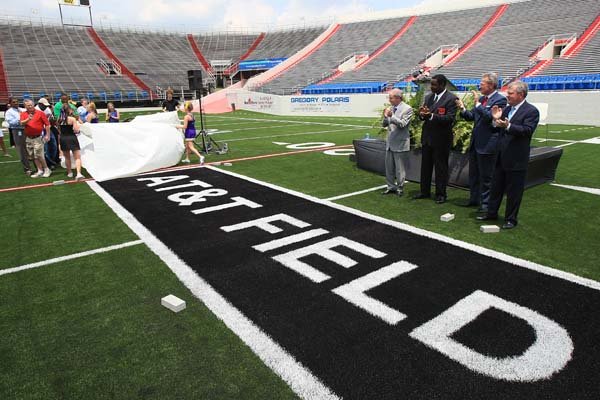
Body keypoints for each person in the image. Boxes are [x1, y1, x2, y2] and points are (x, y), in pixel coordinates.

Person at [477, 81, 540, 229]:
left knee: (514, 192)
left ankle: (511, 219)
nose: (507, 95)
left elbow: (527, 130)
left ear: (521, 94)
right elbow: (497, 128)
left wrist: (508, 126)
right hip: (500, 156)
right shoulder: (505, 109)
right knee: (496, 187)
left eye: (510, 93)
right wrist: (495, 120)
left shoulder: (531, 111)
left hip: (516, 158)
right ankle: (491, 213)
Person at [456, 73, 507, 212]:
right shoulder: (483, 99)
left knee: (486, 177)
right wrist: (462, 109)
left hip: (488, 144)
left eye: (483, 83)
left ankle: (485, 205)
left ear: (491, 85)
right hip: (476, 144)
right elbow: (472, 116)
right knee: (474, 174)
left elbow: (490, 118)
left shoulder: (500, 100)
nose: (480, 85)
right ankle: (474, 199)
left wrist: (478, 104)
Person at [414, 74, 458, 204]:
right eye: (431, 84)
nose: (431, 87)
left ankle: (441, 194)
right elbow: (424, 115)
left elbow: (449, 119)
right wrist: (422, 115)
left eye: (434, 84)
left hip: (442, 139)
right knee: (425, 166)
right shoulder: (428, 97)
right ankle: (424, 191)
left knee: (440, 168)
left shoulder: (451, 99)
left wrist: (431, 116)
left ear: (442, 85)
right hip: (427, 138)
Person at [381, 88, 413, 197]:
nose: (389, 100)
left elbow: (403, 124)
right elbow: (384, 124)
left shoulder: (407, 109)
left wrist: (391, 116)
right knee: (389, 167)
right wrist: (385, 118)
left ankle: (400, 187)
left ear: (398, 98)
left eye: (391, 98)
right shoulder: (390, 108)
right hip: (390, 142)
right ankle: (390, 186)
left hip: (400, 143)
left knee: (400, 169)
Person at [20, 99, 52, 178]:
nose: (30, 106)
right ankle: (40, 170)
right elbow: (21, 123)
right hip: (28, 138)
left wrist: (47, 135)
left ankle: (46, 169)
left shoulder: (40, 113)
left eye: (31, 105)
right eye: (28, 105)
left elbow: (47, 124)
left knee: (39, 155)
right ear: (25, 106)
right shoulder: (23, 113)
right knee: (33, 155)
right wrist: (28, 119)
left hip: (37, 137)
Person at [58, 105, 84, 180]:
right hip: (71, 138)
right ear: (69, 110)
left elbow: (59, 131)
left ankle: (69, 172)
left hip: (63, 138)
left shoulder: (59, 119)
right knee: (77, 157)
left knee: (67, 157)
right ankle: (78, 173)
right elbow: (76, 130)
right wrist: (78, 130)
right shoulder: (72, 119)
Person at [5, 97, 30, 174]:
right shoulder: (9, 112)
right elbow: (11, 122)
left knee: (29, 148)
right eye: (14, 102)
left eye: (17, 101)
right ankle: (27, 169)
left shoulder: (22, 109)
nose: (16, 103)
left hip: (26, 129)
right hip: (17, 130)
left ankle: (36, 166)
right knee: (21, 150)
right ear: (10, 103)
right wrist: (21, 120)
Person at [36, 98, 58, 170]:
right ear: (40, 104)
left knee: (53, 145)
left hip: (48, 129)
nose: (45, 107)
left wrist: (52, 120)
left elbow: (50, 119)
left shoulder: (47, 109)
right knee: (45, 148)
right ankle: (49, 163)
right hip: (40, 130)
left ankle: (52, 161)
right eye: (44, 105)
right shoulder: (36, 110)